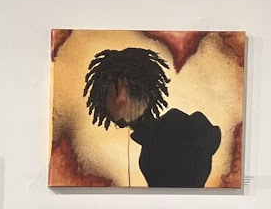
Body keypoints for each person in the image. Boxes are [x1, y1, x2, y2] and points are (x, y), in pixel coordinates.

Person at [83, 47, 222, 187]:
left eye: (132, 90)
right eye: (111, 94)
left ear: (150, 94)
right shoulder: (150, 142)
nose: (121, 100)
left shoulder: (179, 126)